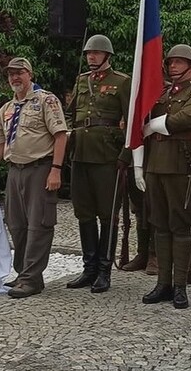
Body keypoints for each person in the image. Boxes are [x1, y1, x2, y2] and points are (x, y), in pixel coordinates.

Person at [0, 58, 67, 298]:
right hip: (14, 171)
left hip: (40, 169)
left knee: (39, 224)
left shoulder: (46, 100)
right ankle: (23, 273)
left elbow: (60, 136)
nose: (15, 78)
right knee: (16, 224)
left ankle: (32, 279)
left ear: (30, 74)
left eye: (19, 73)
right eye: (11, 75)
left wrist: (56, 169)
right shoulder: (6, 109)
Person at [139, 44, 191, 309]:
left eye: (180, 62)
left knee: (180, 225)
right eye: (171, 62)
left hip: (181, 164)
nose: (173, 66)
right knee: (159, 223)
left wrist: (153, 125)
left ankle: (180, 285)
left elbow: (187, 118)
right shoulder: (164, 92)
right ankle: (163, 283)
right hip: (156, 163)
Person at [65, 34, 131, 293]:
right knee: (84, 213)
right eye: (88, 53)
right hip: (81, 153)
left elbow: (130, 120)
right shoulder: (82, 81)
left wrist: (125, 154)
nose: (91, 56)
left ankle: (104, 270)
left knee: (108, 215)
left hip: (107, 155)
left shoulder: (121, 82)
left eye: (95, 52)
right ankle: (89, 267)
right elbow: (71, 113)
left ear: (107, 55)